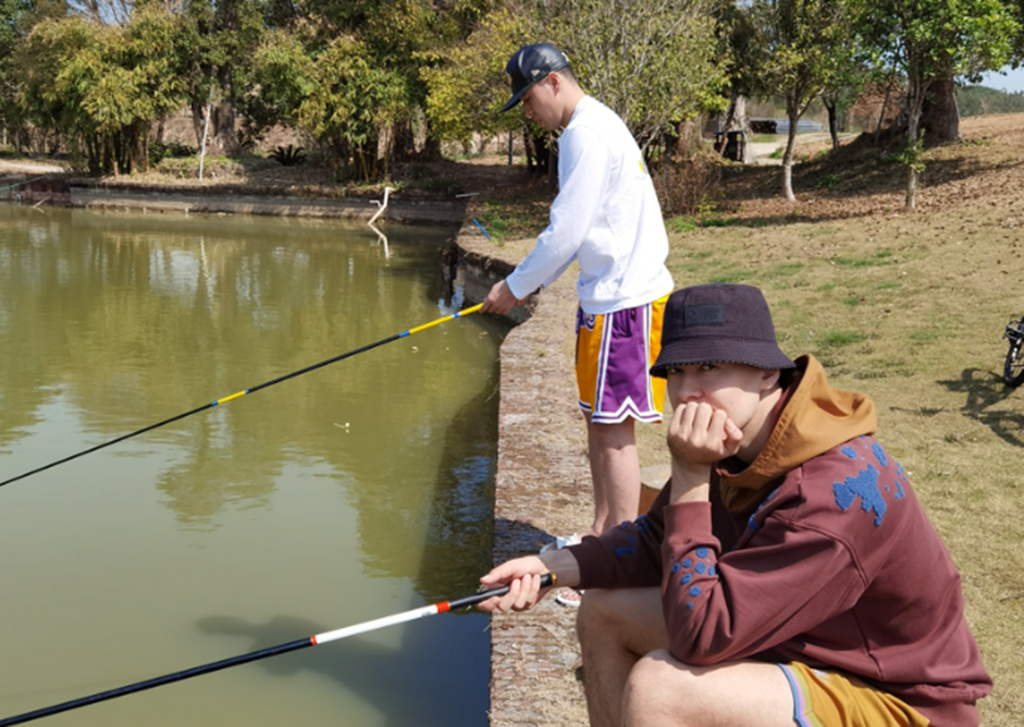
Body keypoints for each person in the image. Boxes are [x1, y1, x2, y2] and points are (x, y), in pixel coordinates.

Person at [479, 283, 992, 727]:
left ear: (767, 374)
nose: (686, 392)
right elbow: (658, 537)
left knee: (664, 687)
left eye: (709, 367)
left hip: (893, 697)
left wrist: (690, 476)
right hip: (803, 640)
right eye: (676, 371)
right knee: (605, 610)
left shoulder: (829, 495)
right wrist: (552, 568)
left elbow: (703, 633)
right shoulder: (745, 437)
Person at [479, 43, 675, 557]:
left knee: (613, 431)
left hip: (622, 301)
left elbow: (566, 231)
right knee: (599, 421)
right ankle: (599, 537)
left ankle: (616, 556)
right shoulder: (595, 123)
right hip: (608, 298)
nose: (528, 112)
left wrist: (514, 286)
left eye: (527, 99)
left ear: (552, 83)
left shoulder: (583, 134)